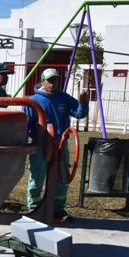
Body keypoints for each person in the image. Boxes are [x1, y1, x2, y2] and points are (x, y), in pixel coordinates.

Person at [23, 68, 89, 222]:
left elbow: (79, 113)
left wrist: (83, 103)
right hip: (40, 144)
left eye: (55, 80)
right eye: (50, 80)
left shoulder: (63, 98)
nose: (53, 83)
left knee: (61, 177)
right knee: (37, 176)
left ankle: (58, 209)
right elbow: (26, 124)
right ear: (43, 81)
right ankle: (34, 208)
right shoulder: (33, 101)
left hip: (60, 144)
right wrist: (24, 142)